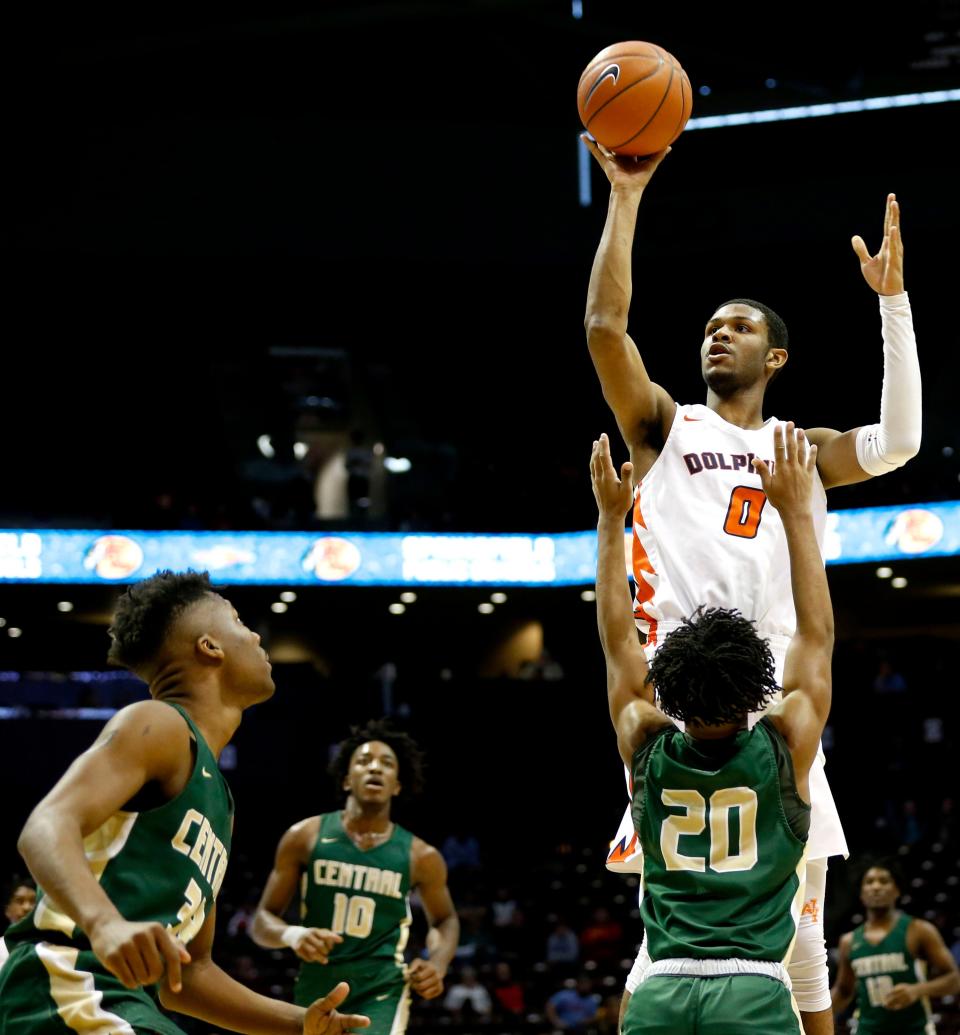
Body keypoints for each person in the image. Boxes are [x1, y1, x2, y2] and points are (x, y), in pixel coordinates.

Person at [582, 133, 922, 1033]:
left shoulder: (794, 451)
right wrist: (625, 195)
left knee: (801, 912)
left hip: (779, 695)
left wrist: (893, 306)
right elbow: (605, 332)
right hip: (680, 703)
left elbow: (898, 443)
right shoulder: (663, 428)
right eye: (709, 325)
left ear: (776, 357)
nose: (716, 332)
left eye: (738, 325)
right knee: (679, 922)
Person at [0, 569, 368, 1034]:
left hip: (127, 1002)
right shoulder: (159, 724)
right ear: (209, 647)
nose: (255, 634)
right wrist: (105, 924)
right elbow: (46, 826)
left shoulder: (219, 799)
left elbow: (189, 974)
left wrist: (302, 1023)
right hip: (69, 984)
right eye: (238, 621)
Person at [591, 423, 833, 1033]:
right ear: (760, 689)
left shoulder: (643, 738)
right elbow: (815, 635)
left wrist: (610, 519)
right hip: (751, 992)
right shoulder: (785, 744)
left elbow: (619, 638)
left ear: (667, 688)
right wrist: (797, 515)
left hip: (661, 990)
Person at [250, 718, 459, 1035]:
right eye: (364, 761)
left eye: (387, 764)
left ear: (397, 784)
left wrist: (438, 964)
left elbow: (445, 919)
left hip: (382, 988)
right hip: (316, 983)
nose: (375, 768)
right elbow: (262, 920)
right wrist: (293, 936)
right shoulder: (304, 837)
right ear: (347, 779)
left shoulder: (421, 856)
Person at [830, 862, 960, 1033]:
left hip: (914, 1029)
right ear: (861, 893)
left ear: (897, 890)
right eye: (869, 882)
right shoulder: (849, 941)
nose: (876, 887)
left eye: (884, 881)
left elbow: (954, 979)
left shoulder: (919, 930)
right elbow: (844, 990)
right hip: (867, 1029)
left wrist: (917, 990)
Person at [0, 877, 36, 970]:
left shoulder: (49, 948)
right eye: (19, 901)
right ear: (7, 910)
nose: (27, 907)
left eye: (33, 901)